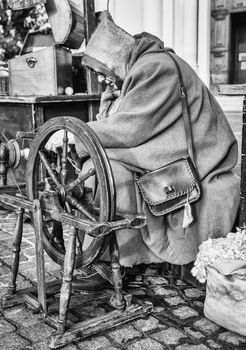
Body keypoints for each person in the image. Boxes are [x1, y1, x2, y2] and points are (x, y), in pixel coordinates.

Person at [55, 10, 241, 289]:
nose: (107, 79)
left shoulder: (154, 68)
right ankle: (107, 256)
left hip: (203, 162)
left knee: (104, 171)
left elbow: (132, 128)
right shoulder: (148, 66)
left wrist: (76, 133)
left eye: (106, 72)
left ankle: (106, 262)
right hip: (182, 151)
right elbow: (135, 124)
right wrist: (110, 102)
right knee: (104, 165)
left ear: (115, 60)